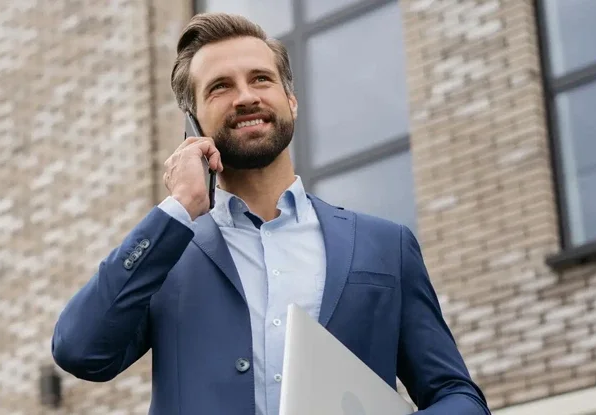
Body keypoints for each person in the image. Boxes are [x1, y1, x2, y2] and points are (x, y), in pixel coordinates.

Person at [50, 12, 490, 415]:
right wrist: (178, 211)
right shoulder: (168, 252)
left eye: (260, 79)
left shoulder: (385, 246)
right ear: (193, 122)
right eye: (219, 86)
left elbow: (457, 395)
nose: (245, 97)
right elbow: (81, 351)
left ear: (291, 101)